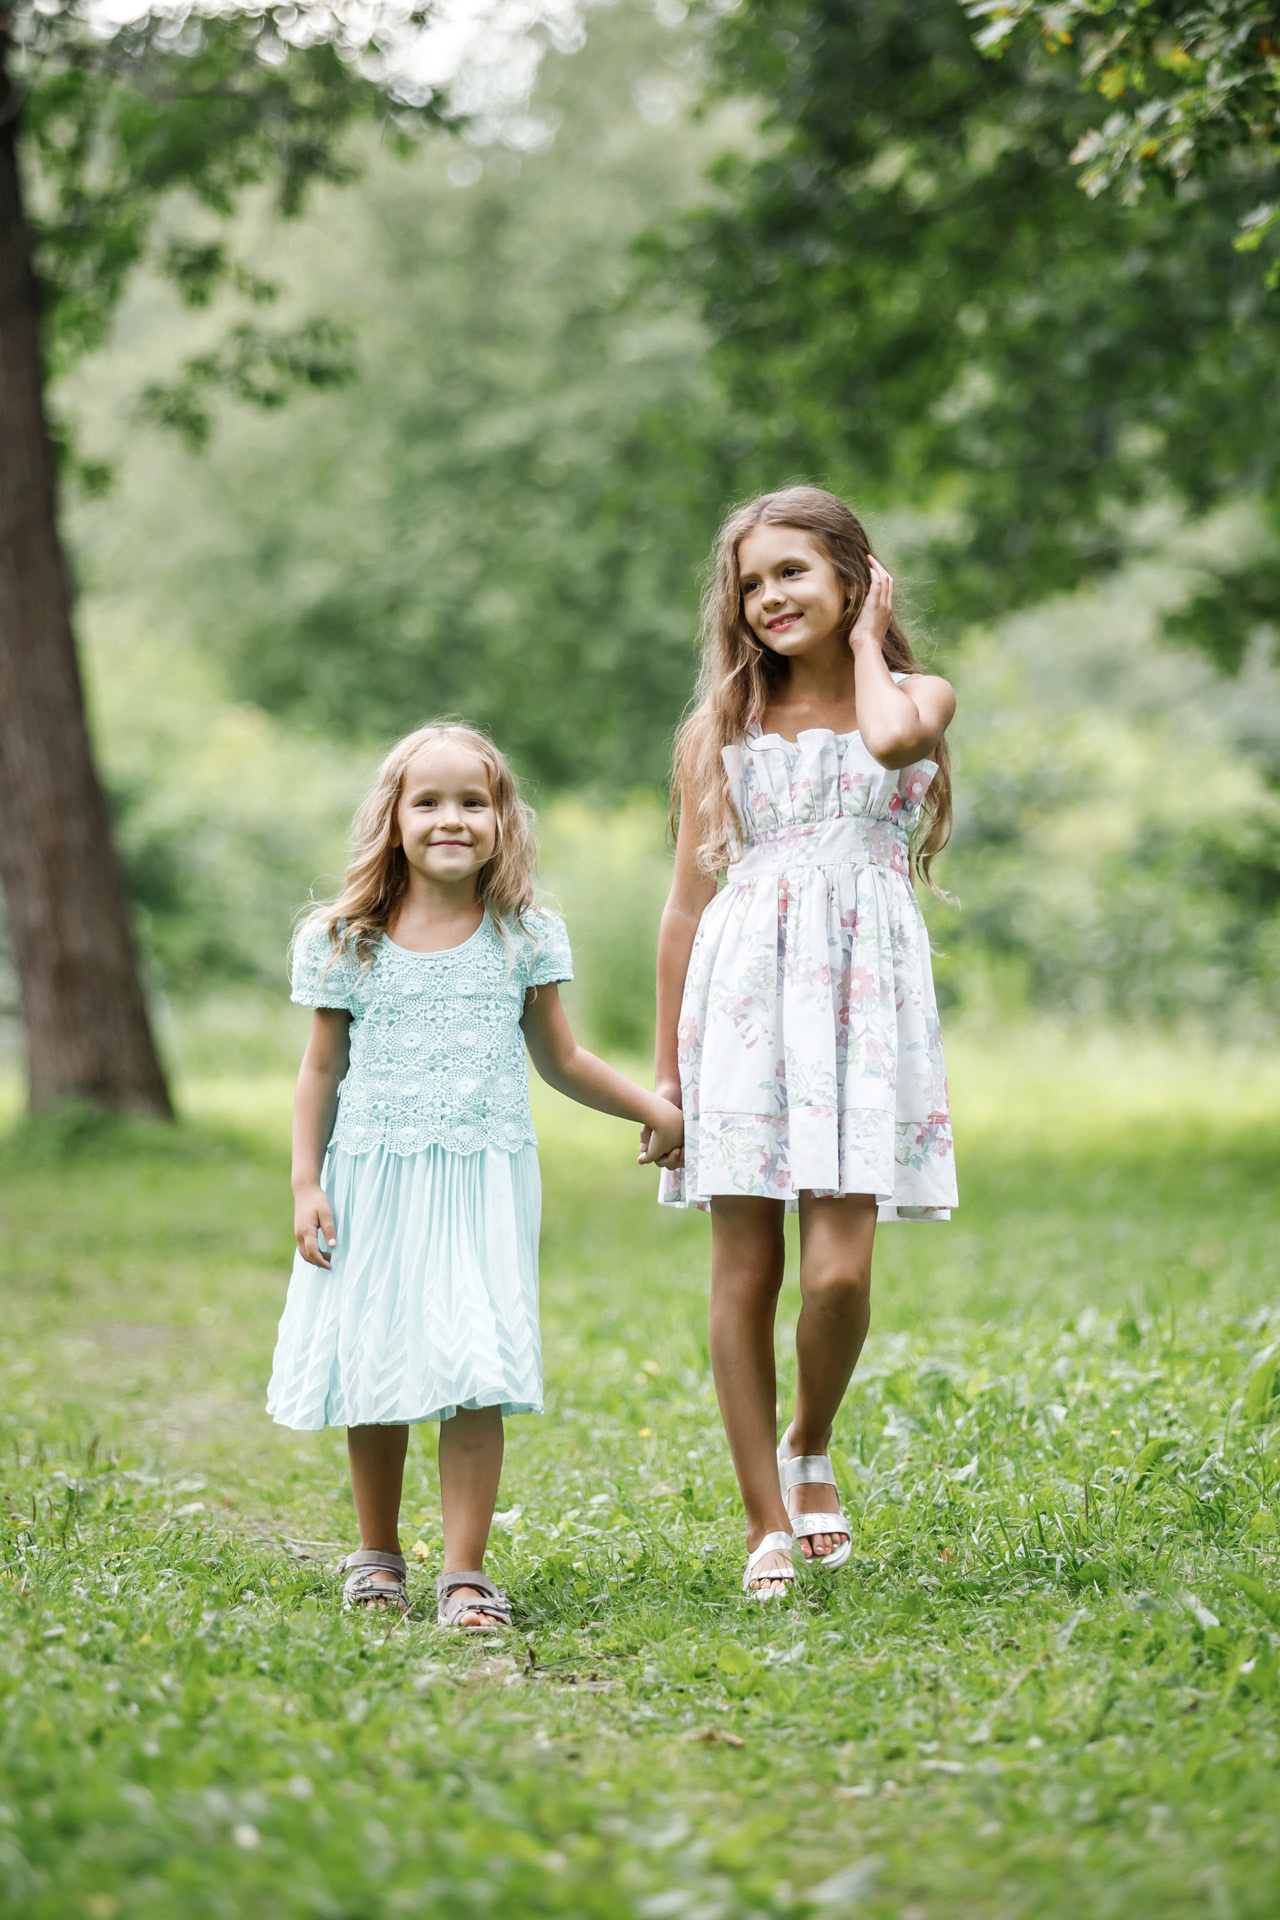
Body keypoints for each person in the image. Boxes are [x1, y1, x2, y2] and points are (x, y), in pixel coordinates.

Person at [268, 721, 684, 1630]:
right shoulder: (348, 940)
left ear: (502, 820)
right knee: (374, 1360)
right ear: (394, 820)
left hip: (484, 1180)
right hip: (373, 1179)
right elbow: (320, 1071)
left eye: (473, 801)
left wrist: (656, 1110)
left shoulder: (523, 937)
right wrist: (307, 1183)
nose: (450, 818)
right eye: (428, 801)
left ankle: (464, 1573)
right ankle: (377, 1554)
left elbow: (563, 1059)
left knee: (473, 1368)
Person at [648, 487, 958, 1600]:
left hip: (860, 1012)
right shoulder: (721, 731)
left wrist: (870, 640)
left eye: (791, 572)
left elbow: (884, 737)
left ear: (849, 576)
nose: (769, 597)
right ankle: (761, 1521)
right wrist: (664, 1080)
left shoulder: (916, 692)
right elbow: (684, 909)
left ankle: (809, 1441)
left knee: (836, 1273)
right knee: (745, 1270)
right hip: (739, 1008)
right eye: (750, 583)